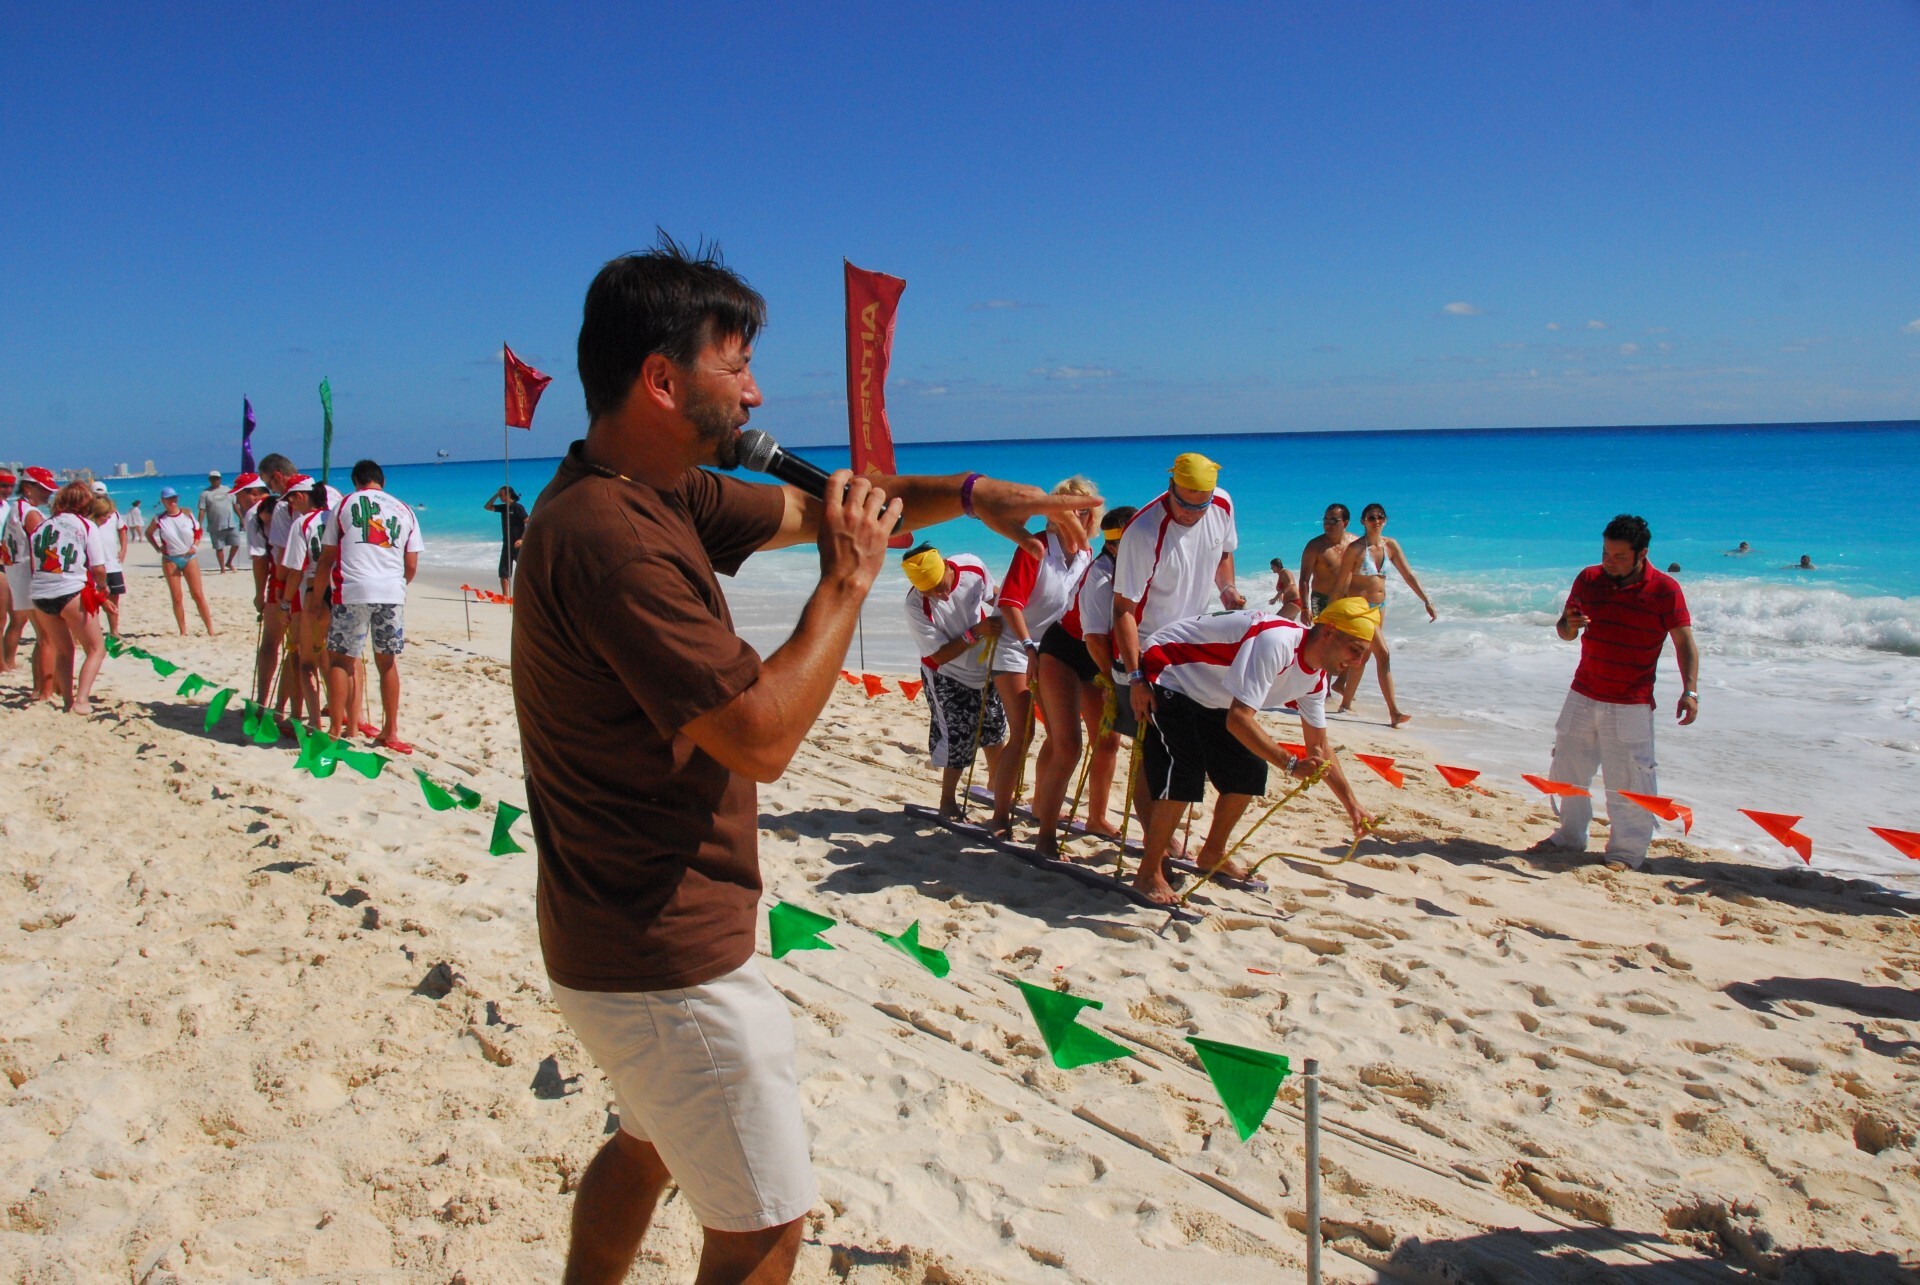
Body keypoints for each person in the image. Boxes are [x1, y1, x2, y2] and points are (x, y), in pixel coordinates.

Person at [509, 240, 1093, 1285]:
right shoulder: (615, 539)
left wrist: (969, 493)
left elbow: (828, 510)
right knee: (764, 1231)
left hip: (611, 931)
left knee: (643, 1149)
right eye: (734, 365)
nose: (755, 389)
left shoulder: (647, 492)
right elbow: (762, 737)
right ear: (661, 379)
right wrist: (849, 586)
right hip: (666, 953)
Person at [1131, 599, 1377, 904]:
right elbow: (1238, 719)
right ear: (1328, 632)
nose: (1357, 662)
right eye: (1355, 649)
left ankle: (1212, 854)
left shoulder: (1316, 679)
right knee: (1186, 770)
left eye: (1363, 655)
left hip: (1212, 693)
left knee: (1249, 772)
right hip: (1168, 667)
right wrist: (1290, 764)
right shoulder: (1277, 642)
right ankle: (1147, 873)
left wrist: (1352, 806)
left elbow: (1319, 747)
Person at [1533, 514, 1699, 870]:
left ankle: (1625, 853)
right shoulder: (1589, 578)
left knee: (1630, 780)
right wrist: (1569, 625)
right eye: (1606, 553)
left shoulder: (1665, 589)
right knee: (1566, 769)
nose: (1609, 561)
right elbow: (1565, 630)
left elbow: (1684, 640)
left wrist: (1691, 691)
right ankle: (1569, 837)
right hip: (1583, 691)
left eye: (1619, 556)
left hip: (1630, 702)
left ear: (1642, 554)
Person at [984, 476, 1100, 835]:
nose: (1077, 516)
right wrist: (1028, 648)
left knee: (1058, 733)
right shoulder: (1035, 546)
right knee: (1023, 731)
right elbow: (1011, 603)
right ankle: (1000, 817)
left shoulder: (1086, 555)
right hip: (1016, 644)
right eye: (1069, 508)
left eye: (1084, 509)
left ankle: (1039, 804)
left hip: (1053, 650)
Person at [1113, 453, 1245, 736]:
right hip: (1146, 652)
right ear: (1171, 486)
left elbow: (1224, 552)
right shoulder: (1142, 532)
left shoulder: (1222, 503)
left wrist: (1227, 589)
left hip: (1190, 645)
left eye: (1201, 506)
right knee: (1149, 755)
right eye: (1183, 504)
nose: (1191, 513)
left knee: (1191, 747)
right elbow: (1123, 609)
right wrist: (1135, 678)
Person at [1029, 505, 1136, 855]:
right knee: (1068, 745)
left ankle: (1097, 818)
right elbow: (1093, 638)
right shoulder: (1101, 576)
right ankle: (1045, 832)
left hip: (1099, 656)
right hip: (1066, 652)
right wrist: (1115, 682)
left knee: (1108, 742)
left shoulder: (1139, 567)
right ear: (1114, 544)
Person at [317, 460, 422, 752]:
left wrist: (315, 599)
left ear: (355, 481)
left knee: (340, 660)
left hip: (353, 589)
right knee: (387, 663)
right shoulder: (405, 509)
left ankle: (336, 730)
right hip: (391, 591)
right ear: (382, 481)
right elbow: (411, 564)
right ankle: (390, 732)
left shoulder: (344, 504)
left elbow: (327, 557)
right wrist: (397, 585)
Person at [902, 544, 1008, 819]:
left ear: (948, 567)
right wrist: (976, 632)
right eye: (933, 591)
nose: (943, 594)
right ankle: (947, 801)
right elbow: (938, 655)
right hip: (947, 675)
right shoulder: (915, 606)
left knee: (995, 730)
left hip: (984, 666)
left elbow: (992, 595)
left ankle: (997, 786)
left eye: (943, 584)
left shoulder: (972, 565)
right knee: (959, 739)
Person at [1329, 502, 1435, 726]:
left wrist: (1426, 600)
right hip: (1360, 608)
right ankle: (1394, 711)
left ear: (1385, 520)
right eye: (1370, 518)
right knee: (1383, 654)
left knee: (1363, 655)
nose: (1376, 521)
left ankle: (1345, 702)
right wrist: (1329, 616)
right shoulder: (1356, 549)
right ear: (1363, 521)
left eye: (1379, 517)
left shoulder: (1391, 546)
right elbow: (1340, 585)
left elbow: (1408, 575)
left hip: (1380, 607)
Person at [29, 481, 110, 713]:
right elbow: (98, 567)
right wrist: (103, 588)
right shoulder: (86, 526)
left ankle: (67, 701)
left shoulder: (42, 527)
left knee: (64, 651)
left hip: (41, 594)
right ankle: (82, 700)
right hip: (70, 590)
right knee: (96, 649)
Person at [3, 468, 56, 685]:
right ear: (28, 488)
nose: (48, 494)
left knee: (41, 636)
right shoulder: (29, 513)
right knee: (47, 638)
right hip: (32, 579)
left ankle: (40, 686)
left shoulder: (15, 508)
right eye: (43, 489)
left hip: (20, 577)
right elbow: (41, 550)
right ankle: (44, 688)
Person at [146, 486, 217, 636]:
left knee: (197, 594)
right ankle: (183, 631)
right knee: (177, 597)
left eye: (174, 498)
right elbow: (148, 533)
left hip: (189, 557)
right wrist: (158, 548)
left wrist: (194, 546)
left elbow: (198, 532)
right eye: (169, 499)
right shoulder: (159, 518)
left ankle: (210, 629)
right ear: (163, 501)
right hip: (170, 559)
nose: (172, 501)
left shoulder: (188, 515)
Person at [1297, 503, 1356, 618]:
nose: (1328, 525)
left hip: (1349, 600)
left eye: (1333, 521)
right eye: (1325, 520)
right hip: (1322, 601)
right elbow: (1304, 579)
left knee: (1349, 636)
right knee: (1324, 635)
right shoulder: (1314, 546)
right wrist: (1304, 608)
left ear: (1345, 523)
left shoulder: (1355, 544)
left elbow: (1365, 575)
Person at [88, 493, 129, 637]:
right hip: (95, 567)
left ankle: (114, 631)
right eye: (105, 514)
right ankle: (92, 632)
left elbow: (123, 529)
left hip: (112, 565)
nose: (108, 517)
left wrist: (123, 550)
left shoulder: (113, 515)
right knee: (92, 602)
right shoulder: (88, 525)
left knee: (114, 599)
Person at [484, 486, 528, 597]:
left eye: (501, 495)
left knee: (524, 570)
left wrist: (522, 539)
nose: (500, 497)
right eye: (499, 495)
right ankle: (505, 597)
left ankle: (527, 595)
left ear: (508, 495)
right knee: (503, 572)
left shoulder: (518, 508)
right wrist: (496, 494)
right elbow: (487, 507)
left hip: (517, 545)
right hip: (506, 544)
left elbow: (529, 522)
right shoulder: (504, 508)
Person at [199, 470, 242, 572]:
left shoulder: (228, 490)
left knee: (236, 544)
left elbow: (235, 505)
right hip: (215, 525)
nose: (215, 480)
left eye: (217, 478)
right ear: (209, 479)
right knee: (219, 548)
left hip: (230, 523)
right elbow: (202, 510)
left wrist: (241, 518)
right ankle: (222, 568)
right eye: (213, 478)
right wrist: (199, 524)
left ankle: (229, 562)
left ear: (220, 479)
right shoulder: (205, 493)